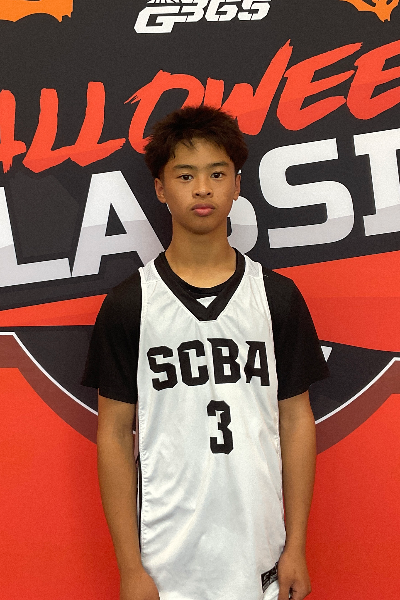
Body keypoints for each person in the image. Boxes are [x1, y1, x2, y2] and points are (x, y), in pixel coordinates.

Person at [82, 105, 329, 600]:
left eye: (217, 174)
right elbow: (113, 434)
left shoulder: (276, 297)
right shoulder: (131, 303)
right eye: (185, 175)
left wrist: (297, 545)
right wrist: (129, 567)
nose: (202, 189)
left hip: (260, 558)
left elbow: (296, 421)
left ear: (237, 185)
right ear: (160, 188)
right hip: (165, 565)